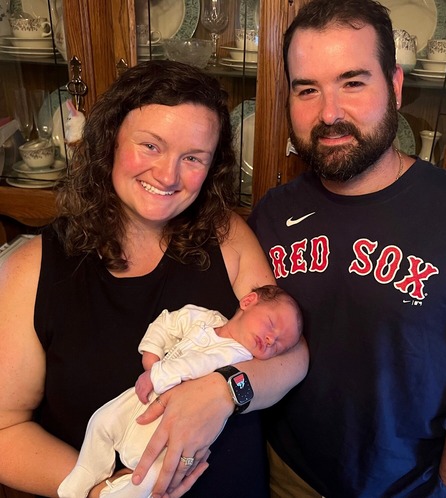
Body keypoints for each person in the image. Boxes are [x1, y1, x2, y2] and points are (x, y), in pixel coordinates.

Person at [0, 60, 308, 498]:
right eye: (150, 146)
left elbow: (292, 356)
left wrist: (225, 391)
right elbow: (5, 428)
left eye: (193, 158)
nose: (168, 176)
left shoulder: (228, 236)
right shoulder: (32, 269)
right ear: (110, 142)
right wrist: (99, 492)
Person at [248, 1, 446, 497]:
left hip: (407, 484)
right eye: (307, 89)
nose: (330, 113)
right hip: (285, 473)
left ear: (396, 87)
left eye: (353, 82)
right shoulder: (272, 213)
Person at [58, 285, 303, 498]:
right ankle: (86, 472)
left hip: (179, 429)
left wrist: (158, 374)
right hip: (148, 397)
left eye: (279, 345)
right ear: (248, 302)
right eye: (271, 325)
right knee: (102, 420)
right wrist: (152, 353)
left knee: (154, 477)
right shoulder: (203, 318)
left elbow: (198, 365)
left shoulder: (240, 358)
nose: (271, 339)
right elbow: (168, 322)